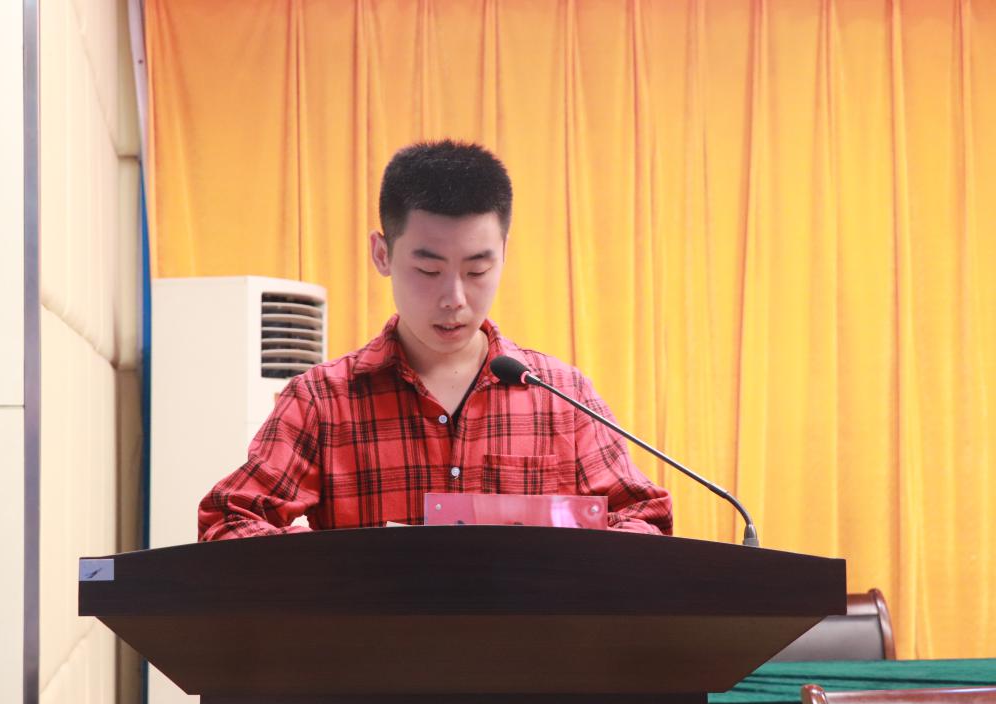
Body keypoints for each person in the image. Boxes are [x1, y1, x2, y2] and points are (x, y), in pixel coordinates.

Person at [198, 140, 672, 540]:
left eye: (477, 270)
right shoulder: (322, 401)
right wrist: (322, 568)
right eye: (428, 270)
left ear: (504, 254)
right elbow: (227, 520)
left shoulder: (561, 395)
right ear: (382, 254)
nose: (454, 299)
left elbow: (646, 518)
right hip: (376, 627)